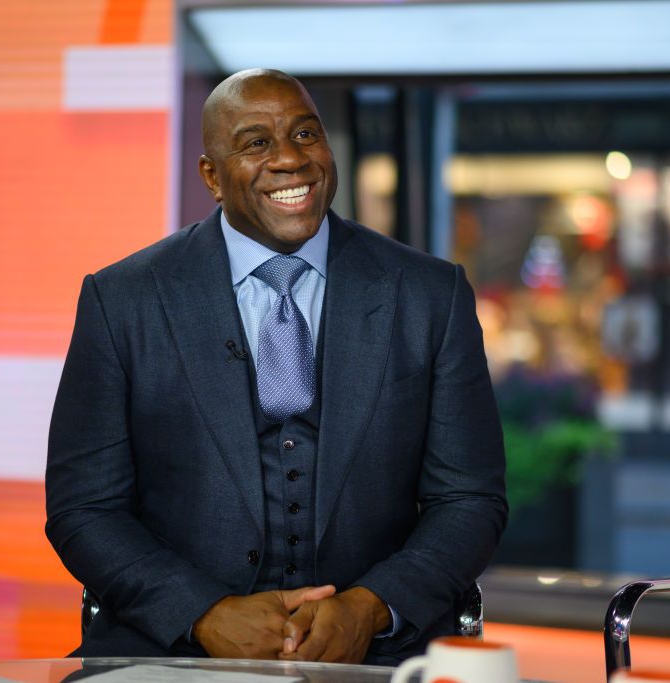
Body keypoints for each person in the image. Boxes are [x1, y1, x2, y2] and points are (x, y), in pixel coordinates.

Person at [45, 68, 507, 666]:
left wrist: (370, 608)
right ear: (212, 176)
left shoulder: (429, 295)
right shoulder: (123, 300)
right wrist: (202, 613)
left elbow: (470, 499)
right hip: (170, 653)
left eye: (306, 135)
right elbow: (84, 508)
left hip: (380, 652)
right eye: (256, 143)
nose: (290, 159)